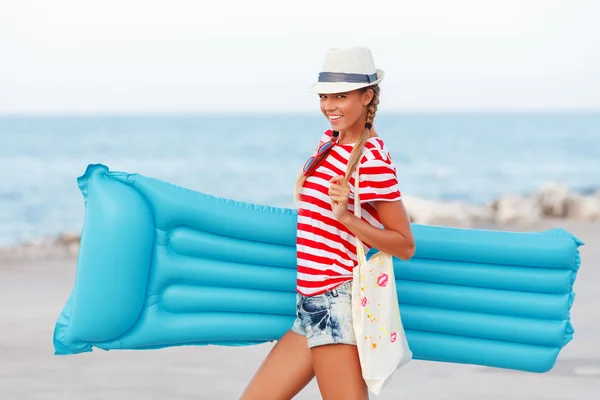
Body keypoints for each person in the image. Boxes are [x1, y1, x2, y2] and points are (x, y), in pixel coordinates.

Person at [240, 46, 415, 400]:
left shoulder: (372, 161)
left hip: (336, 300)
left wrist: (347, 217)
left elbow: (404, 244)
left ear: (367, 96)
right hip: (309, 303)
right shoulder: (329, 143)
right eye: (324, 96)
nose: (329, 106)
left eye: (341, 96)